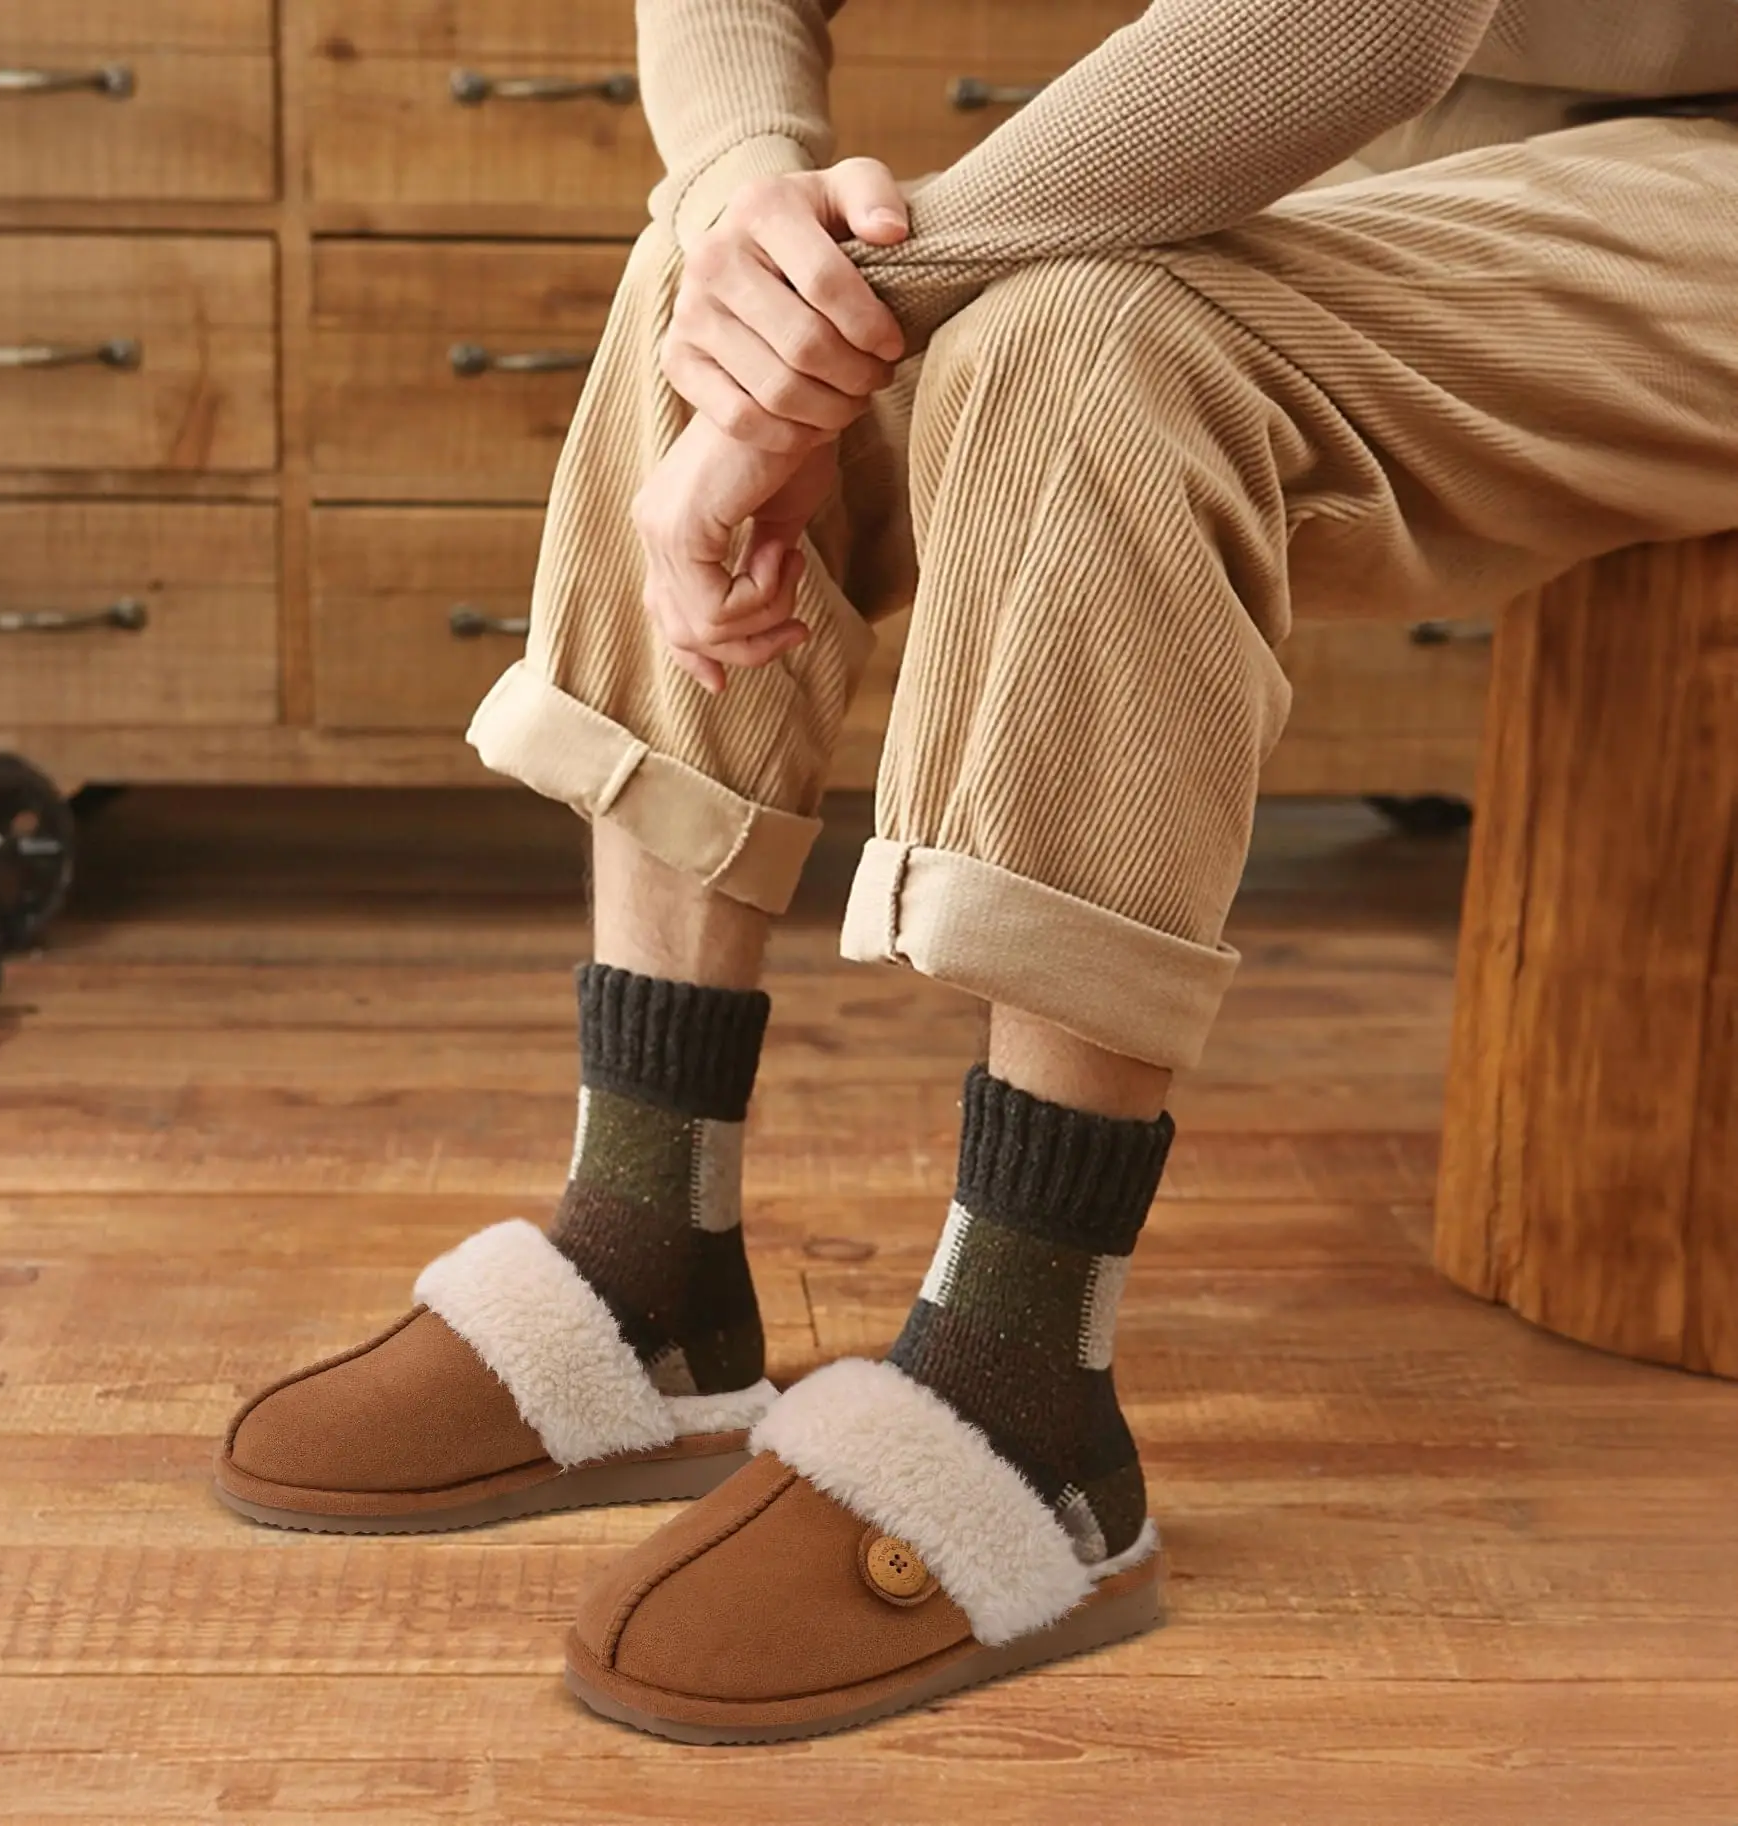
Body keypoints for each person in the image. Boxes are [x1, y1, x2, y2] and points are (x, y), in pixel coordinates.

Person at [215, 0, 1738, 1742]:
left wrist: (835, 319)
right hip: (1422, 147)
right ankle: (645, 1260)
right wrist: (742, 207)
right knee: (716, 279)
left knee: (1080, 349)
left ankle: (1029, 1404)